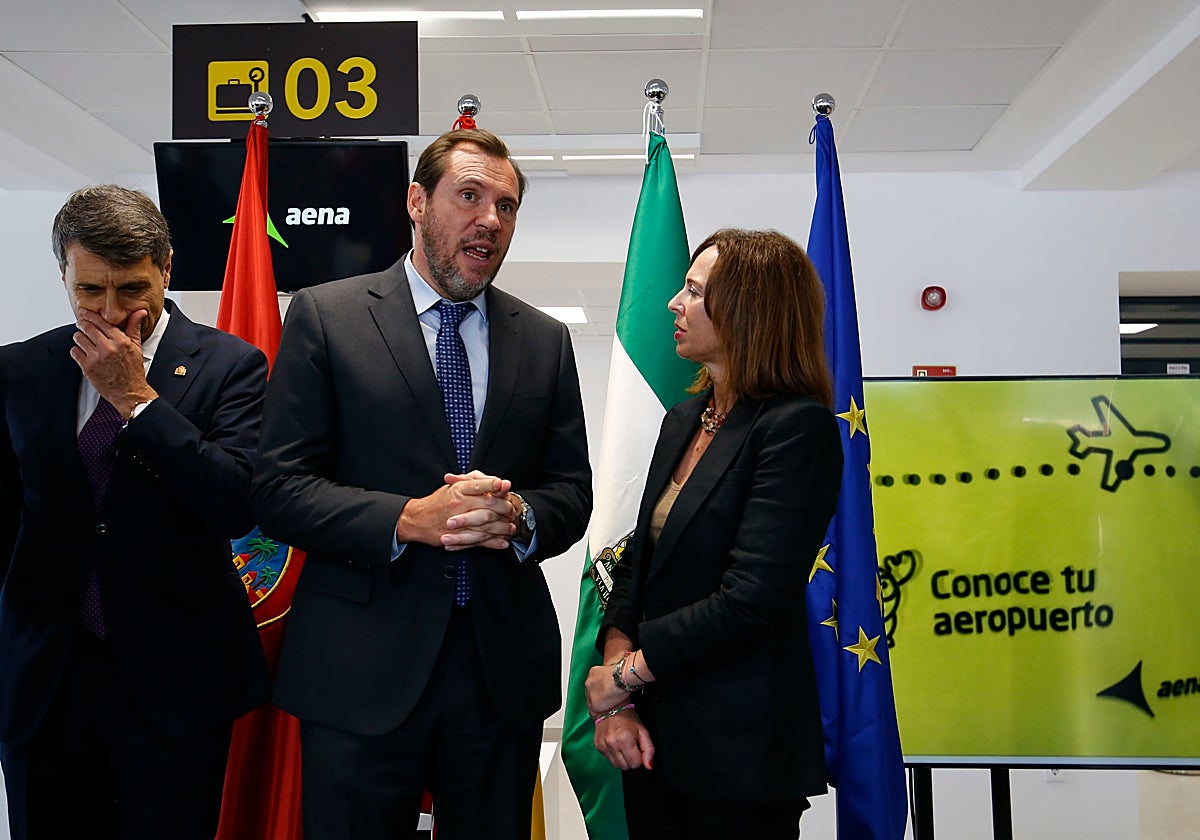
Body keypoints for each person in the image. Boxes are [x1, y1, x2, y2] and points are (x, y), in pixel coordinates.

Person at [251, 127, 593, 839]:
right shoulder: (327, 316)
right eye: (469, 196)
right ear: (416, 201)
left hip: (498, 670)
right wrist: (408, 518)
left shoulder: (544, 339)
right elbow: (278, 488)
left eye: (506, 206)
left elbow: (571, 490)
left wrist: (521, 516)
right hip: (359, 667)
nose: (490, 220)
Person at [0, 185, 270, 839]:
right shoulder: (19, 370)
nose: (113, 312)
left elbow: (237, 502)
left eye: (132, 289)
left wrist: (138, 402)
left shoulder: (232, 366)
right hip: (45, 685)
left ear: (167, 268)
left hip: (175, 689)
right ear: (64, 273)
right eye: (90, 290)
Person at [586, 228, 844, 839]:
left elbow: (751, 598)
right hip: (652, 740)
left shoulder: (796, 428)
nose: (674, 303)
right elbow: (636, 569)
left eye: (695, 292)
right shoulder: (682, 421)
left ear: (750, 313)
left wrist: (625, 675)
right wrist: (620, 703)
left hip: (740, 757)